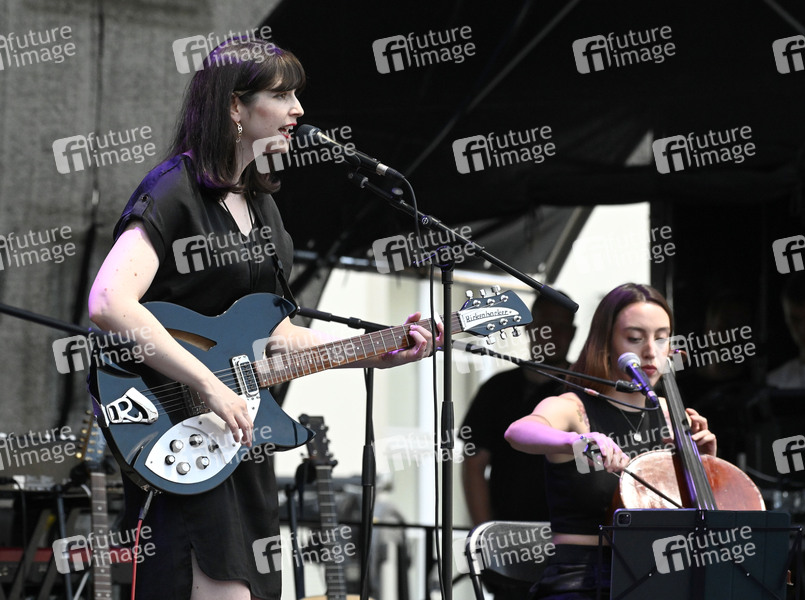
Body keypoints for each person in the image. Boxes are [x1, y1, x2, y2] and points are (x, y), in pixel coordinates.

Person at [87, 38, 441, 600]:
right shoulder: (175, 189)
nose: (298, 109)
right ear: (235, 106)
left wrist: (375, 352)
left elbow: (277, 337)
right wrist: (208, 384)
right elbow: (109, 302)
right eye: (282, 95)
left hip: (241, 440)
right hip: (180, 428)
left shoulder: (263, 207)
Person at [504, 283, 716, 599]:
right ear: (606, 343)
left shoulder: (671, 415)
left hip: (655, 577)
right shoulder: (574, 408)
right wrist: (576, 440)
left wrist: (707, 465)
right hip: (583, 580)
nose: (650, 351)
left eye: (661, 338)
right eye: (635, 338)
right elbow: (518, 431)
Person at [460, 294, 576, 600]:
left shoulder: (583, 391)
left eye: (562, 326)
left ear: (574, 332)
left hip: (570, 543)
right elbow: (473, 465)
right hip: (509, 541)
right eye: (546, 324)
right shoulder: (496, 389)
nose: (553, 334)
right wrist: (487, 537)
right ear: (530, 328)